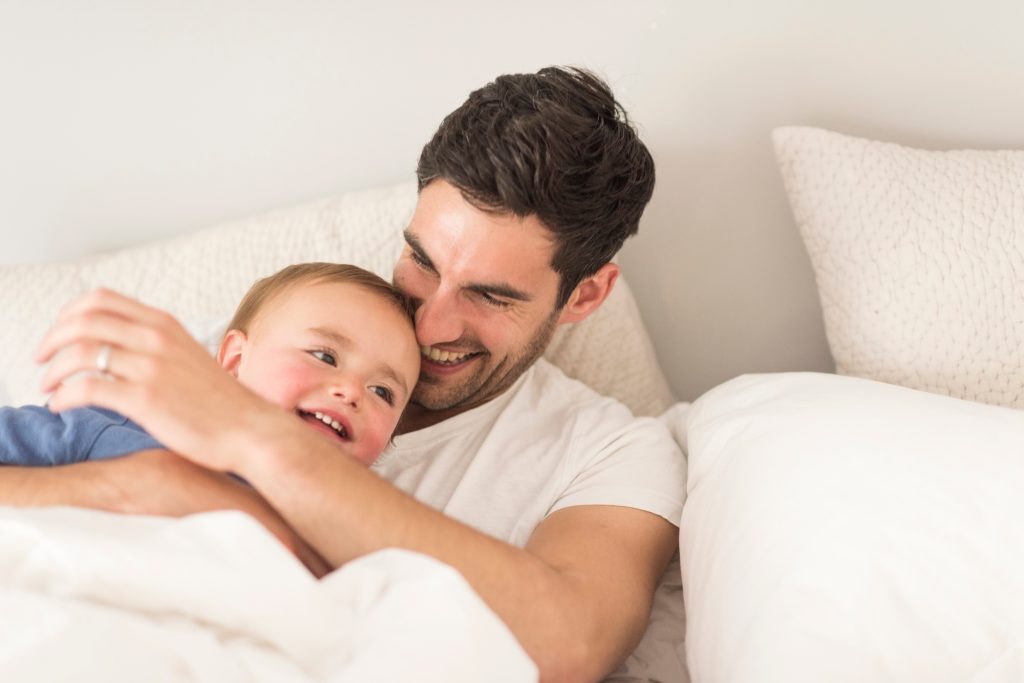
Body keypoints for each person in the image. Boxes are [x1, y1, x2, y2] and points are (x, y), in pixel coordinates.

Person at [7, 67, 686, 683]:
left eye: (490, 295)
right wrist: (139, 485)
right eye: (422, 260)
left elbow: (569, 645)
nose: (429, 325)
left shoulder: (611, 454)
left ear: (585, 297)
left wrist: (253, 439)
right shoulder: (268, 337)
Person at [0, 262, 420, 468]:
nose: (350, 392)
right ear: (235, 360)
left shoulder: (358, 526)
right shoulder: (127, 426)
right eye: (325, 356)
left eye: (382, 392)